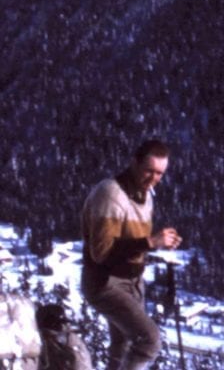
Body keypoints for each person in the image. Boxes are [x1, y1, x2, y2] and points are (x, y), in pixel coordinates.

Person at [81, 139, 182, 370]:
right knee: (149, 341)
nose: (154, 178)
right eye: (149, 170)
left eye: (159, 173)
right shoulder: (111, 193)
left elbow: (132, 243)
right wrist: (150, 242)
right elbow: (102, 252)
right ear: (134, 163)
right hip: (106, 282)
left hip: (133, 281)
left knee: (123, 345)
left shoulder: (144, 196)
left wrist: (156, 245)